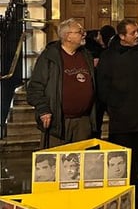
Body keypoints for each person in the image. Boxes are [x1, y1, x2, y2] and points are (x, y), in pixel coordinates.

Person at [98, 19, 138, 202]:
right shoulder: (109, 56)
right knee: (125, 160)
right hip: (121, 117)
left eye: (137, 31)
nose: (137, 35)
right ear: (122, 36)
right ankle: (127, 193)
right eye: (133, 32)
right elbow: (103, 85)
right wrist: (113, 104)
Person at [26, 18, 97, 147]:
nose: (84, 33)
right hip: (58, 123)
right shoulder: (49, 57)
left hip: (83, 123)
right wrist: (43, 110)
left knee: (82, 164)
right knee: (58, 164)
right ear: (68, 36)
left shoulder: (86, 55)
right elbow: (34, 88)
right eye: (79, 31)